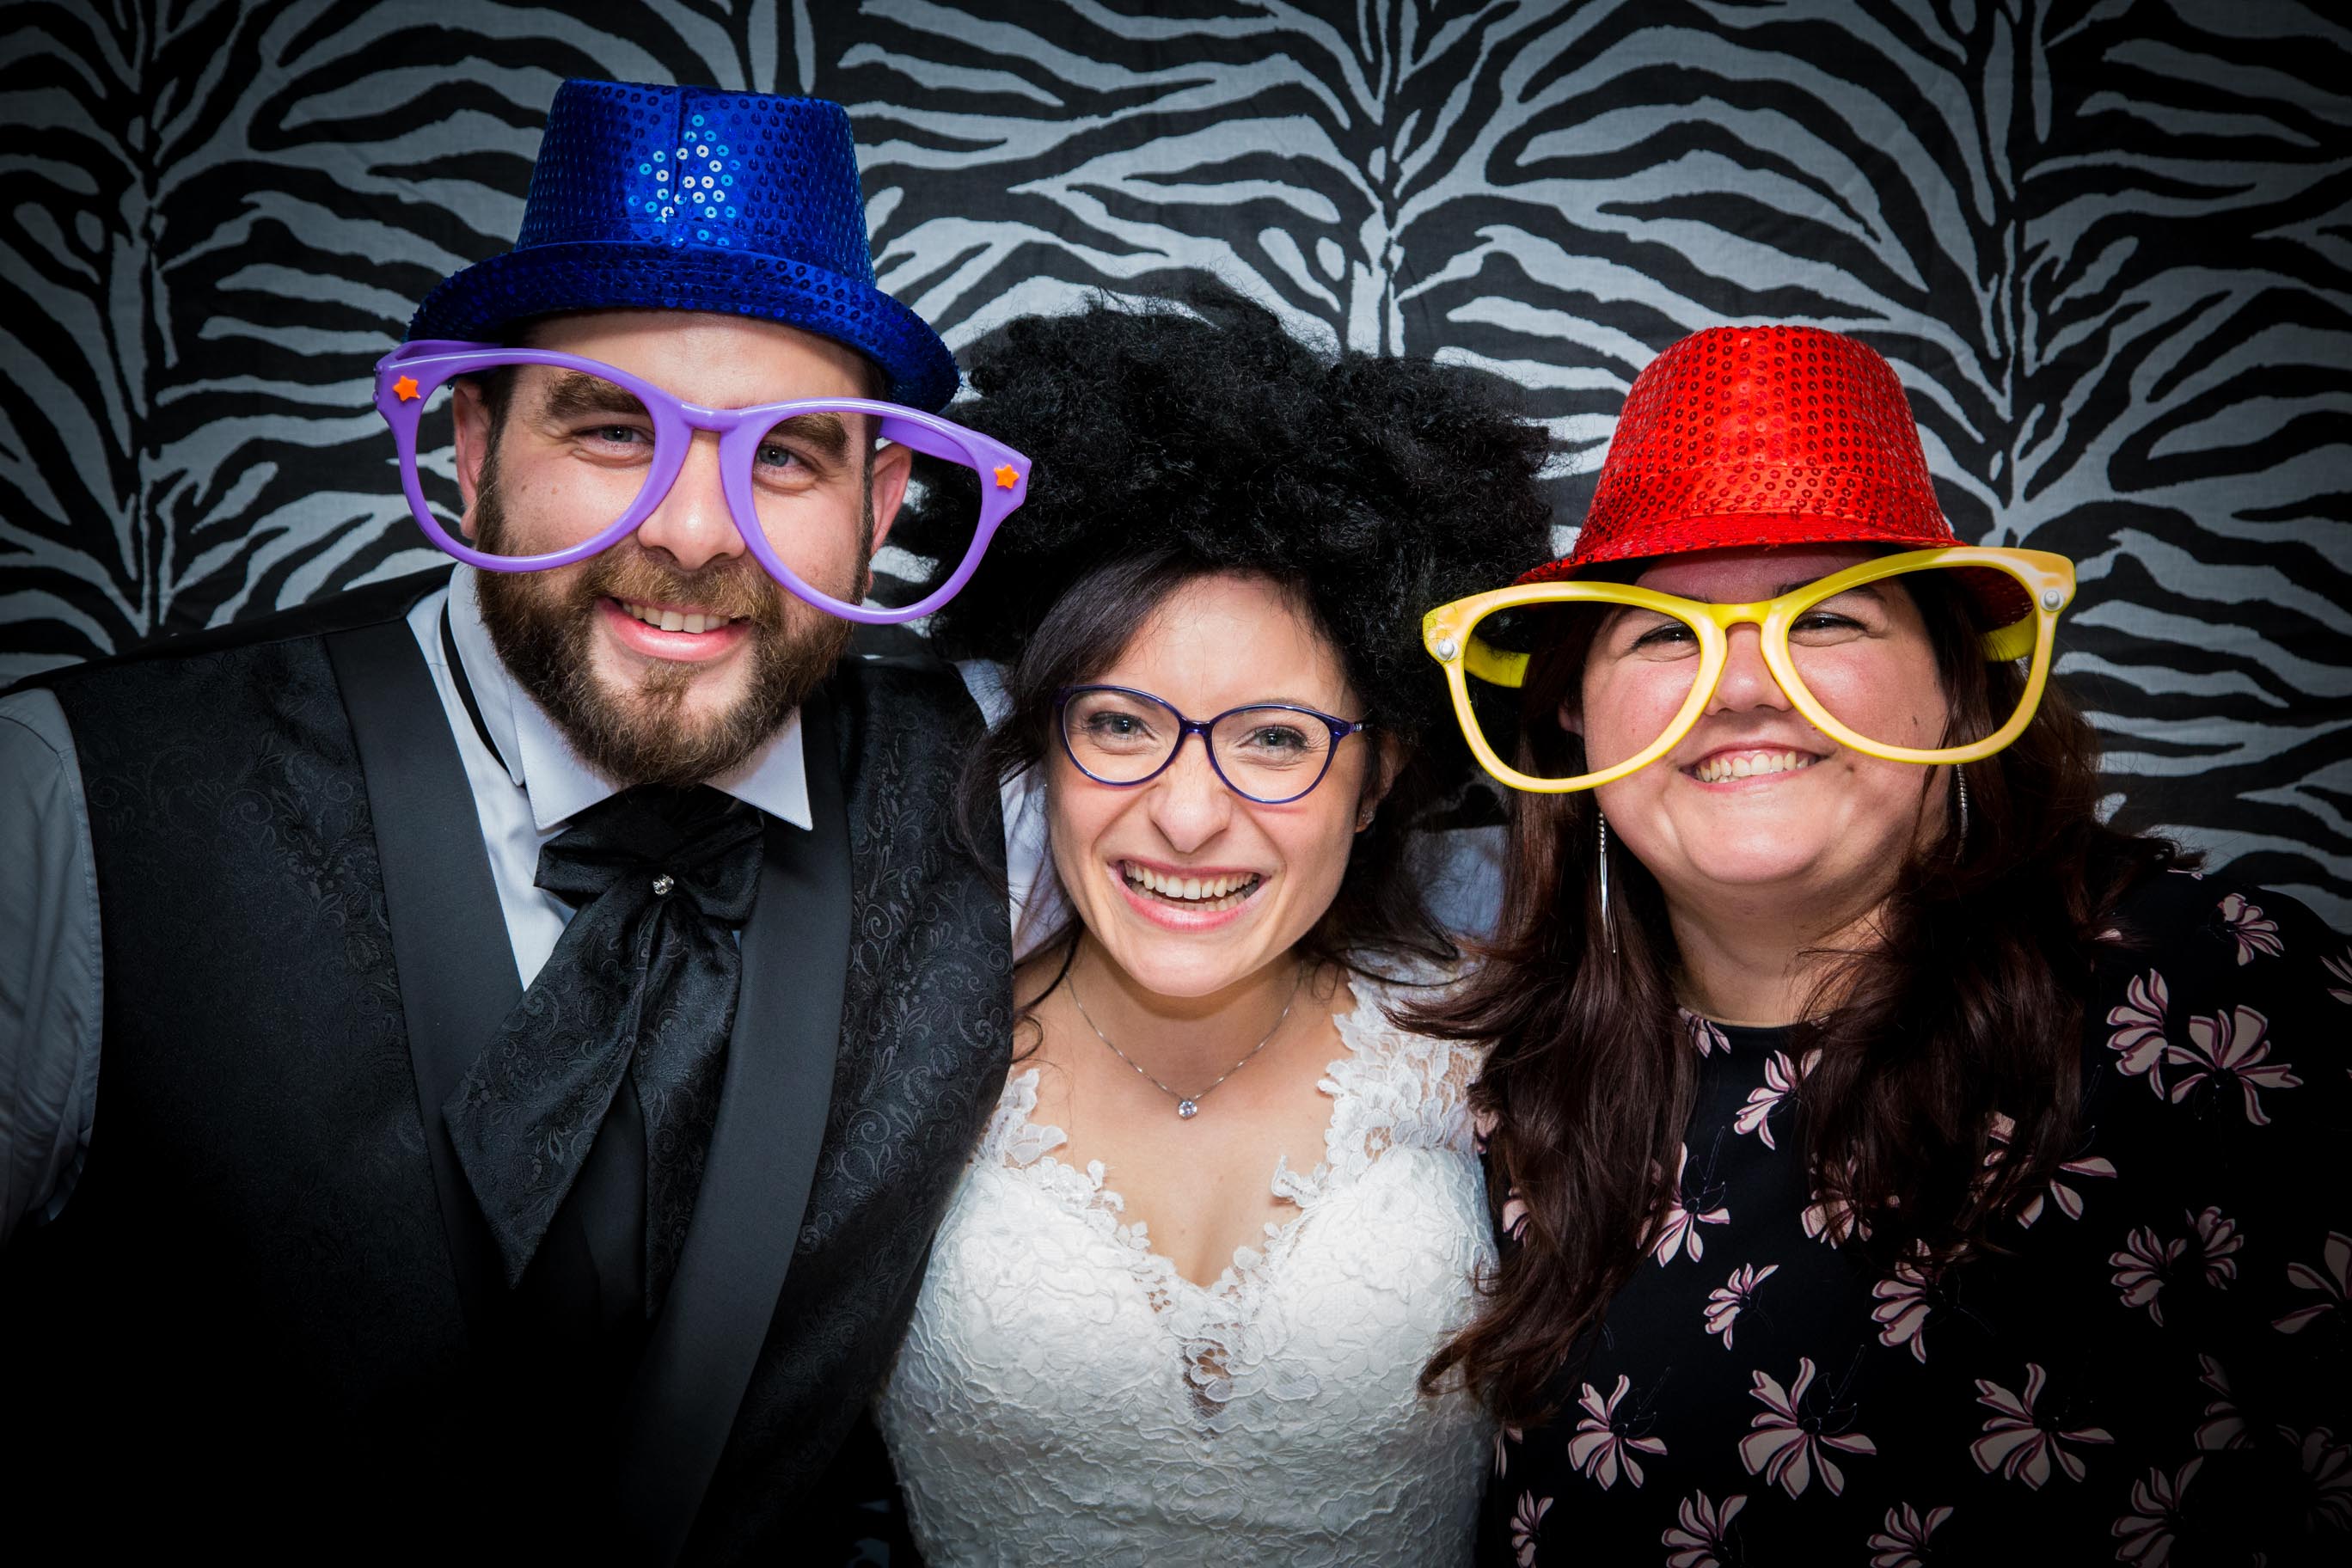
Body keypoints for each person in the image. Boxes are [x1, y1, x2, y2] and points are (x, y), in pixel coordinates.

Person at [0, 79, 1026, 1561]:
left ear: (881, 503)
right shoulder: (74, 797)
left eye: (786, 455)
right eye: (610, 430)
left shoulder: (1006, 794)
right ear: (472, 447)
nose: (691, 530)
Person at [1410, 324, 2352, 1565]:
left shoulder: (2210, 994)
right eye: (1662, 633)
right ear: (1576, 714)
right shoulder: (1505, 1091)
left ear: (1954, 688)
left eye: (1830, 621)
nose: (1743, 687)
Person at [868, 288, 1555, 1564]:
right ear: (1041, 745)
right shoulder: (892, 1056)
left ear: (1381, 778)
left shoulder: (1501, 1041)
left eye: (1276, 740)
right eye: (1119, 724)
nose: (1187, 817)